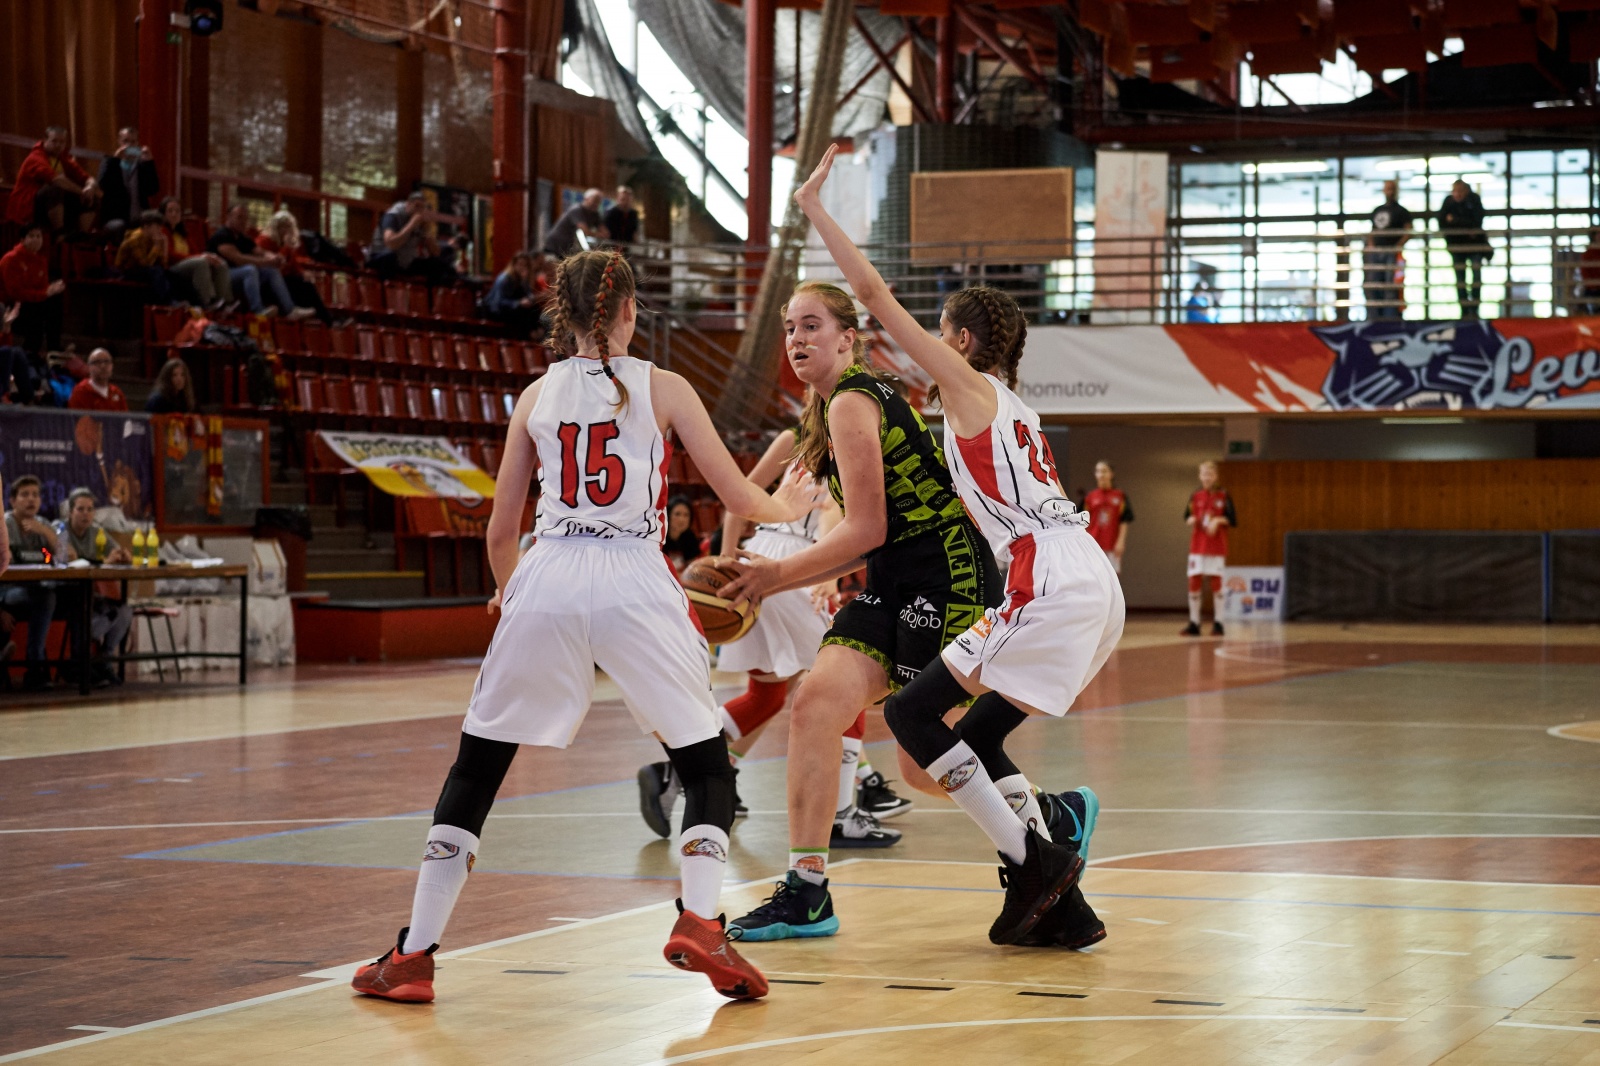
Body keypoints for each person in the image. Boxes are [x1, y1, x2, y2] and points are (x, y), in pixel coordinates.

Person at [350, 249, 818, 1005]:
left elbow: (501, 531)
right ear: (631, 311)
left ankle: (412, 956)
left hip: (551, 573)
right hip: (637, 578)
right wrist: (788, 508)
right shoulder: (665, 387)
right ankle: (702, 921)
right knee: (705, 765)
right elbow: (738, 494)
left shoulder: (535, 395)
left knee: (477, 769)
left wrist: (510, 593)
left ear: (559, 316)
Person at [760, 142, 1121, 949]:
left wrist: (815, 210)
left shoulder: (964, 386)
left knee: (913, 716)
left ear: (958, 339)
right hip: (1082, 572)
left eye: (939, 334)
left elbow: (872, 294)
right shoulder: (1011, 407)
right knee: (963, 736)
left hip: (1045, 572)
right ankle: (1058, 877)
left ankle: (1033, 860)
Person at [705, 266, 1003, 942]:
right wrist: (778, 574)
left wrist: (773, 576)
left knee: (920, 764)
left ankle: (1044, 815)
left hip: (948, 574)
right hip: (895, 576)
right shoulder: (822, 411)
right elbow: (869, 533)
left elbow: (866, 528)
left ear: (848, 338)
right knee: (814, 705)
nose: (796, 339)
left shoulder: (853, 400)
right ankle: (807, 890)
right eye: (789, 328)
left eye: (811, 326)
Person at [637, 433, 913, 850]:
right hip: (797, 565)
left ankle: (676, 770)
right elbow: (833, 512)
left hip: (755, 557)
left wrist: (727, 558)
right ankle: (841, 815)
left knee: (765, 697)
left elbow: (742, 496)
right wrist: (832, 573)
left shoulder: (790, 438)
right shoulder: (854, 438)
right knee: (848, 682)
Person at [59, 488, 133, 687]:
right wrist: (106, 562)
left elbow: (115, 551)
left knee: (124, 611)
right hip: (66, 592)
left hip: (92, 592)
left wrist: (123, 555)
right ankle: (78, 664)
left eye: (90, 509)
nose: (86, 514)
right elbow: (64, 559)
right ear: (70, 512)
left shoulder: (97, 531)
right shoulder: (59, 529)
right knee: (89, 611)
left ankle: (104, 658)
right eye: (80, 509)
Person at [2, 475, 60, 691]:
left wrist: (45, 533)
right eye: (25, 495)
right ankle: (35, 665)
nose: (31, 500)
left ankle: (73, 667)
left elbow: (66, 555)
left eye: (35, 495)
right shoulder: (5, 525)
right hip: (8, 591)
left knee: (54, 596)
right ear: (12, 501)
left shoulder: (42, 524)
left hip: (36, 590)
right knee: (45, 597)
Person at [208, 203, 313, 320]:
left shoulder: (243, 238)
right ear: (229, 217)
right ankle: (257, 310)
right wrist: (267, 262)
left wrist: (275, 257)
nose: (243, 221)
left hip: (241, 275)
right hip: (221, 276)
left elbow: (261, 252)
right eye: (239, 217)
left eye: (245, 218)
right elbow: (239, 259)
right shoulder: (221, 235)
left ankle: (290, 310)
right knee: (250, 270)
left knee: (271, 271)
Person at [4, 126, 99, 232]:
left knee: (93, 196)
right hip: (28, 207)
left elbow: (88, 178)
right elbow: (57, 180)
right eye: (54, 141)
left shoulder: (63, 158)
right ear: (44, 140)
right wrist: (82, 192)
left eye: (62, 142)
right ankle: (59, 233)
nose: (58, 145)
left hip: (50, 206)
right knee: (54, 189)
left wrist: (90, 187)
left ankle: (81, 235)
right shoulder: (35, 158)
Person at [1183, 459, 1235, 637]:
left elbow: (1232, 519)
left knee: (1216, 582)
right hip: (1197, 546)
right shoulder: (1195, 495)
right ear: (1200, 476)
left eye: (1210, 474)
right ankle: (1194, 623)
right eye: (1204, 474)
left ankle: (1219, 623)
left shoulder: (1223, 495)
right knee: (1194, 581)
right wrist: (1190, 519)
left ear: (1216, 476)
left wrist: (1218, 520)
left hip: (1216, 546)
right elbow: (1187, 516)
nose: (1207, 477)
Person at [0, 224, 66, 357]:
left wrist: (51, 290)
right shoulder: (11, 259)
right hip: (10, 306)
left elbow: (42, 288)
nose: (36, 239)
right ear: (22, 239)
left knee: (54, 301)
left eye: (38, 236)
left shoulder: (41, 260)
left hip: (31, 302)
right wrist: (44, 293)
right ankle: (29, 353)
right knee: (37, 312)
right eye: (32, 236)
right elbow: (15, 293)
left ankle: (54, 348)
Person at [256, 211, 333, 323]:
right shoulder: (264, 241)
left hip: (285, 280)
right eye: (284, 226)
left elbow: (293, 266)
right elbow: (276, 267)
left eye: (289, 227)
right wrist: (286, 248)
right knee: (298, 285)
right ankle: (326, 320)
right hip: (269, 283)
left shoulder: (284, 243)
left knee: (305, 283)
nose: (287, 230)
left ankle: (322, 319)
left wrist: (303, 273)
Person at [368, 191, 457, 286]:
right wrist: (412, 224)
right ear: (408, 204)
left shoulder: (420, 221)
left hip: (405, 262)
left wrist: (427, 232)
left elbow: (436, 253)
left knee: (438, 264)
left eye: (422, 207)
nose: (419, 210)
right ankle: (386, 292)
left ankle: (430, 295)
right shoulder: (393, 215)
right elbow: (391, 244)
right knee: (389, 257)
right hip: (381, 257)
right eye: (417, 206)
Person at [158, 197, 231, 310]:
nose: (174, 214)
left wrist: (209, 257)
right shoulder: (162, 231)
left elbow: (196, 252)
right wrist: (200, 257)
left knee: (220, 263)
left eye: (177, 211)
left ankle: (224, 303)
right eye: (170, 211)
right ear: (163, 214)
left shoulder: (183, 233)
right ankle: (207, 302)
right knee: (201, 262)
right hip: (172, 267)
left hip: (188, 263)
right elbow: (170, 255)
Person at [1437, 180, 1488, 319]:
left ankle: (1474, 308)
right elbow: (1441, 222)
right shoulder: (1448, 202)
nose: (1457, 194)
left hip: (1474, 246)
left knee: (1476, 276)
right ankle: (1464, 309)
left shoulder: (1474, 200)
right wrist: (1466, 226)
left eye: (1460, 191)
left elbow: (1477, 221)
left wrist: (1455, 221)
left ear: (1466, 191)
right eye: (1455, 191)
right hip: (1457, 248)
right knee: (1460, 279)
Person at [95, 127, 161, 235]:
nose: (129, 145)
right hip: (115, 218)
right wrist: (116, 159)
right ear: (119, 142)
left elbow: (153, 189)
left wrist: (149, 163)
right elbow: (103, 185)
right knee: (120, 226)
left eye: (133, 142)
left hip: (139, 217)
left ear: (137, 143)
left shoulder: (141, 165)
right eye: (125, 141)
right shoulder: (109, 162)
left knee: (156, 224)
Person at [1365, 179, 1412, 320]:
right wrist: (1372, 247)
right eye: (1387, 188)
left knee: (1391, 286)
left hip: (1392, 253)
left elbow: (1408, 231)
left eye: (1392, 188)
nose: (1389, 192)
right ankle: (1375, 317)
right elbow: (1372, 231)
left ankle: (1390, 317)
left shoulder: (1402, 211)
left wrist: (1397, 246)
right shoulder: (1377, 211)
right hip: (1377, 253)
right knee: (1375, 285)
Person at [113, 210, 176, 305]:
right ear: (146, 226)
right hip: (127, 271)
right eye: (157, 227)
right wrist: (157, 246)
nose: (160, 230)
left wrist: (165, 245)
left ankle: (183, 303)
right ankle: (165, 303)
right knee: (156, 271)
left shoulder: (153, 238)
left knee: (172, 274)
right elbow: (145, 264)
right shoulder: (135, 239)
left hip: (144, 270)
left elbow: (163, 264)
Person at [1082, 460, 1133, 574]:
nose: (1101, 474)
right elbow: (1082, 522)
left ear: (1111, 474)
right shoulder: (1089, 497)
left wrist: (1121, 541)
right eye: (1098, 471)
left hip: (1112, 544)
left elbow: (1124, 520)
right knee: (1093, 575)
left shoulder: (1120, 496)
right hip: (1093, 544)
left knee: (1112, 576)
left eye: (1104, 471)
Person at [482, 251, 545, 338]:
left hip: (512, 309)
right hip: (497, 311)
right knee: (524, 314)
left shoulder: (521, 278)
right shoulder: (504, 279)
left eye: (525, 266)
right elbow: (498, 302)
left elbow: (527, 295)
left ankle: (538, 332)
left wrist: (532, 294)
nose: (522, 268)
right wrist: (518, 303)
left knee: (534, 308)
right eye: (520, 264)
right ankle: (532, 335)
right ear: (514, 265)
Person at [543, 189, 605, 259]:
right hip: (555, 245)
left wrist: (602, 234)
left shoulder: (594, 214)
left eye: (598, 201)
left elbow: (604, 231)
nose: (596, 204)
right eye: (594, 200)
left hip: (567, 248)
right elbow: (585, 230)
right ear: (586, 199)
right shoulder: (576, 210)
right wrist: (598, 235)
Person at [661, 496, 704, 572]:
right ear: (668, 515)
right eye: (677, 514)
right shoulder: (659, 537)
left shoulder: (690, 537)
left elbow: (692, 568)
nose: (682, 519)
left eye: (686, 515)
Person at [1578, 228, 1600, 316]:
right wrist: (1593, 286)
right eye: (1598, 234)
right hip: (1592, 290)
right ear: (1594, 236)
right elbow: (1585, 273)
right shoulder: (1588, 254)